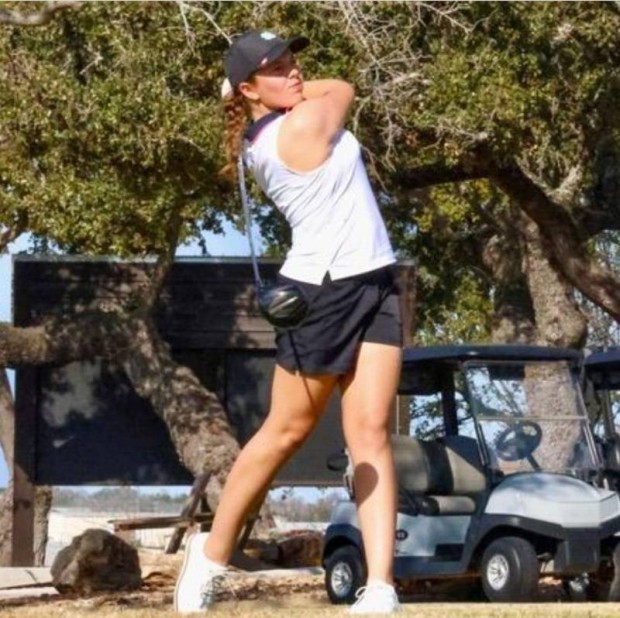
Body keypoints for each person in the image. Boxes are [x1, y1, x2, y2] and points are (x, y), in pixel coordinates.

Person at [174, 29, 403, 615]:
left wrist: (258, 89)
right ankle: (211, 556)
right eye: (275, 69)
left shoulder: (281, 118)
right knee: (286, 432)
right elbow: (343, 87)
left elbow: (319, 88)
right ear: (249, 90)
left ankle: (381, 587)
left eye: (292, 61)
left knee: (371, 433)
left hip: (376, 280)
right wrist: (277, 94)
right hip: (323, 292)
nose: (294, 72)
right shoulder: (296, 128)